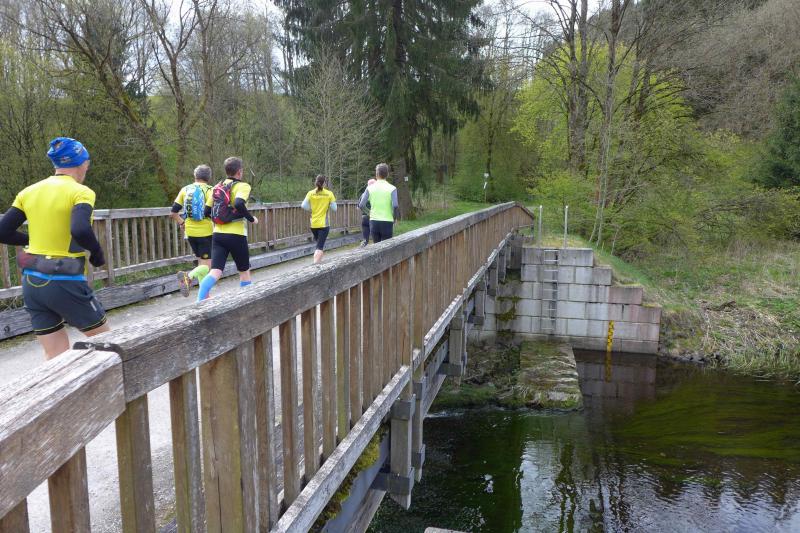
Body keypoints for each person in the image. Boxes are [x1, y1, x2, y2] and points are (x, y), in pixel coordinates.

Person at [0, 137, 109, 359]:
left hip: (32, 281)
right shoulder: (81, 192)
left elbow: (2, 231)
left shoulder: (28, 192)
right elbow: (80, 229)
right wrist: (97, 253)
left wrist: (33, 238)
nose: (87, 167)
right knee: (108, 344)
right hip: (65, 279)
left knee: (56, 357)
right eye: (87, 162)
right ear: (82, 162)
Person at [196, 157, 258, 301]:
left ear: (226, 171)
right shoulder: (243, 186)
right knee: (244, 272)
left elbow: (206, 211)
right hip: (237, 235)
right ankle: (246, 303)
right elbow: (239, 203)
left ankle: (199, 302)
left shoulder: (217, 187)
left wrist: (220, 220)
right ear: (240, 172)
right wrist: (251, 219)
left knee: (215, 272)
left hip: (218, 235)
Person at [171, 164, 214, 297]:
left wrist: (182, 223)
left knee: (202, 263)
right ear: (209, 177)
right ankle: (188, 276)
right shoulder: (210, 190)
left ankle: (204, 297)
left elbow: (173, 212)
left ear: (195, 176)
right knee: (207, 266)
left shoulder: (185, 189)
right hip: (206, 232)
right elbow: (213, 212)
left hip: (190, 232)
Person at [358, 163, 399, 243]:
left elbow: (361, 205)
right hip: (387, 221)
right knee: (387, 247)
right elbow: (395, 205)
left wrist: (369, 213)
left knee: (377, 247)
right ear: (387, 174)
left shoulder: (369, 188)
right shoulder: (392, 188)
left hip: (374, 221)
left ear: (376, 174)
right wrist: (394, 218)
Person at [301, 174, 337, 264]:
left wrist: (311, 209)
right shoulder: (329, 194)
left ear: (316, 182)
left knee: (319, 245)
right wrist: (327, 204)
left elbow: (303, 205)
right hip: (324, 224)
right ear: (324, 183)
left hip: (313, 224)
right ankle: (316, 266)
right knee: (319, 247)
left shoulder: (310, 193)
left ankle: (319, 263)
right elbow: (335, 209)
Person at [359, 178, 376, 246]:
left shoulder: (363, 194)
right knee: (376, 237)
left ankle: (364, 244)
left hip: (364, 217)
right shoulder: (374, 194)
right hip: (373, 217)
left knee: (365, 238)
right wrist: (370, 213)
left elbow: (359, 206)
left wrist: (366, 212)